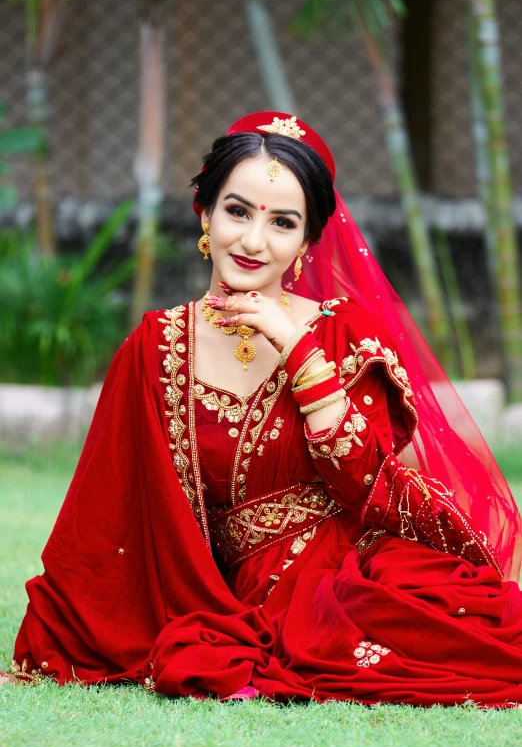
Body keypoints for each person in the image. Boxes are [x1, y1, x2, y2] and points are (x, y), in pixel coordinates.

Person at [2, 111, 522, 705]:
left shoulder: (343, 334)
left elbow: (364, 486)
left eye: (282, 222)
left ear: (306, 241)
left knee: (449, 626)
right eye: (237, 211)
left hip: (345, 577)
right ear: (204, 212)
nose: (253, 241)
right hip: (218, 594)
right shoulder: (155, 347)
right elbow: (105, 519)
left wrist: (300, 352)